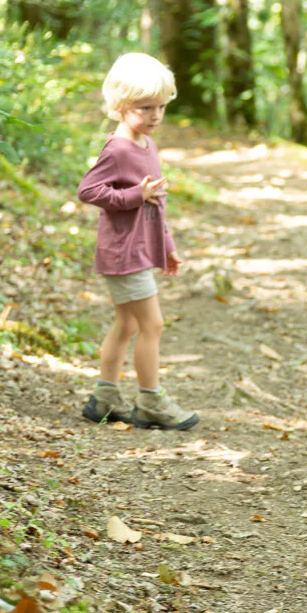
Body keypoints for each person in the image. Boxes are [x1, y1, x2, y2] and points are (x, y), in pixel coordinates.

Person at [77, 52, 198, 430]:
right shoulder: (117, 149)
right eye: (146, 108)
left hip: (141, 249)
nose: (155, 116)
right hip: (122, 251)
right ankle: (151, 402)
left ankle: (104, 397)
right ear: (120, 105)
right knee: (152, 324)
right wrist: (132, 196)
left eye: (161, 107)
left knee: (128, 325)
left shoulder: (149, 147)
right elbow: (88, 190)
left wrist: (167, 246)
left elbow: (155, 203)